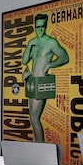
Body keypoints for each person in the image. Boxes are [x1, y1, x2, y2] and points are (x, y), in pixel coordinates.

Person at [22, 13, 69, 142]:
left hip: (41, 82)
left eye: (42, 27)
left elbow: (64, 57)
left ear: (46, 26)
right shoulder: (34, 43)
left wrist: (49, 64)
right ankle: (39, 146)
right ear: (34, 27)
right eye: (38, 27)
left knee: (34, 118)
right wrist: (30, 44)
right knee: (33, 118)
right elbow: (25, 60)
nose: (40, 30)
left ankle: (40, 148)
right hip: (32, 83)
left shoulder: (51, 42)